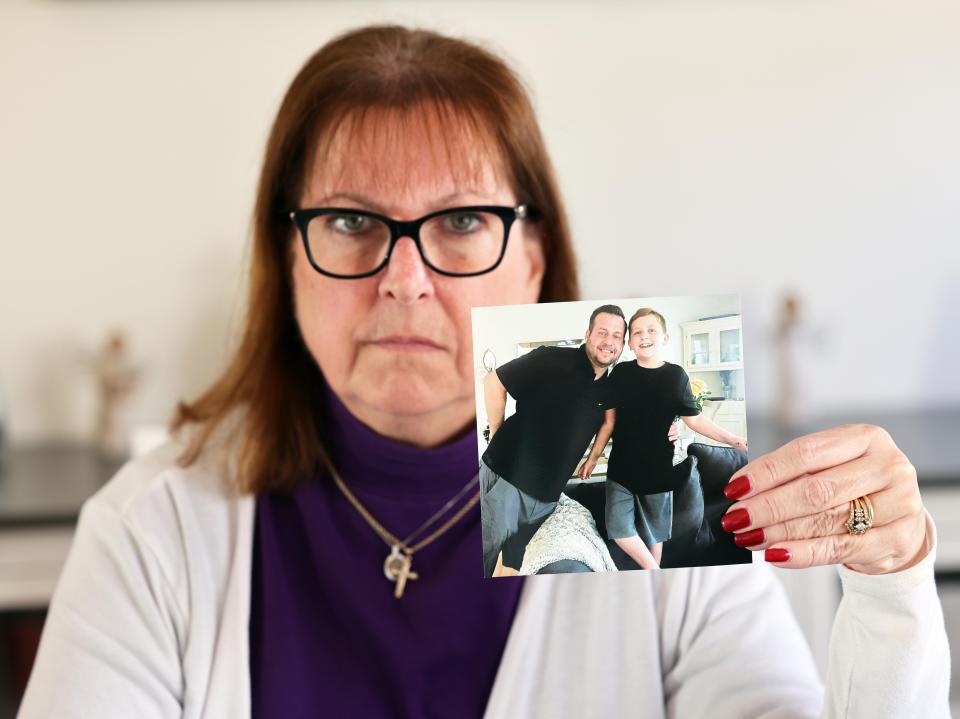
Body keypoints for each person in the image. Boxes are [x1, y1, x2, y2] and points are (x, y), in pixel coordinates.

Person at [18, 24, 948, 719]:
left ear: (535, 254)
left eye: (461, 221)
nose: (404, 281)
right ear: (285, 254)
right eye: (350, 221)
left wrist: (890, 591)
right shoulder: (148, 537)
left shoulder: (666, 535)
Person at [580, 307, 748, 570]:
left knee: (655, 534)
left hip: (658, 474)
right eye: (637, 332)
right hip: (621, 472)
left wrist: (733, 439)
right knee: (619, 529)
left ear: (665, 338)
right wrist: (592, 458)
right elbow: (608, 421)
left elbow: (695, 419)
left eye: (651, 330)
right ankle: (655, 572)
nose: (644, 336)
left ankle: (653, 580)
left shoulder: (676, 376)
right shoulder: (621, 373)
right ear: (630, 342)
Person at [479, 304, 624, 578]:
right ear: (588, 334)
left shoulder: (609, 387)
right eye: (603, 332)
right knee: (478, 553)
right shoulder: (552, 359)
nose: (609, 341)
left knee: (513, 561)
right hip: (508, 474)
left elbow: (609, 422)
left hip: (547, 495)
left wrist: (593, 457)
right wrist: (496, 432)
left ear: (622, 343)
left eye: (616, 336)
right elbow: (493, 381)